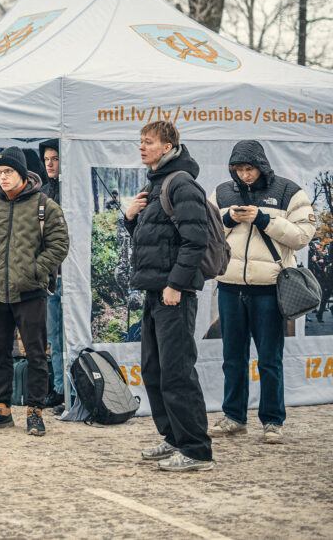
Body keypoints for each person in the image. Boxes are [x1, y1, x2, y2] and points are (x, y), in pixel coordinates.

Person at [208, 141, 316, 445]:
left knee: (270, 359)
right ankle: (234, 418)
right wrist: (228, 219)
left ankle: (272, 422)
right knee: (232, 358)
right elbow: (206, 230)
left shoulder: (288, 191)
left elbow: (303, 236)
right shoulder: (220, 193)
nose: (244, 175)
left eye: (249, 168)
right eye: (238, 169)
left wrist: (264, 219)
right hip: (229, 287)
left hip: (269, 290)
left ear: (262, 165)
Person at [123, 121, 213, 471]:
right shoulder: (156, 183)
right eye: (140, 142)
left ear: (168, 145)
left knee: (177, 372)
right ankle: (174, 438)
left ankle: (197, 450)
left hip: (175, 294)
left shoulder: (182, 184)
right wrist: (130, 220)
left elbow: (195, 241)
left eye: (148, 142)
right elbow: (156, 240)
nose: (141, 147)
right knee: (154, 370)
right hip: (155, 292)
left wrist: (175, 285)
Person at [0, 147, 69, 436]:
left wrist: (36, 270)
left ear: (22, 173)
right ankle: (2, 409)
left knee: (36, 355)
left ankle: (35, 412)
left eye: (8, 172)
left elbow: (60, 243)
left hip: (31, 294)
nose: (2, 177)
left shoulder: (45, 206)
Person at [39, 139, 66, 410]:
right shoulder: (44, 193)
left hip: (72, 271)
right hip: (52, 274)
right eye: (47, 158)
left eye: (55, 158)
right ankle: (59, 387)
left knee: (71, 334)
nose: (50, 163)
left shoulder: (73, 190)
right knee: (54, 334)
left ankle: (71, 385)